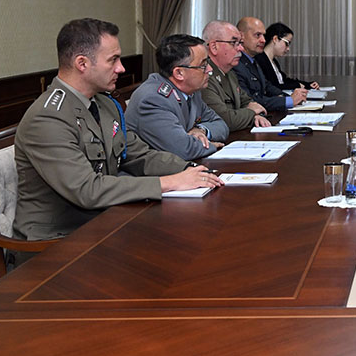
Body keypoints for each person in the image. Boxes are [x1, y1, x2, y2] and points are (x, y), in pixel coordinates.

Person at [13, 19, 222, 243]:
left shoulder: (104, 104)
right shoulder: (48, 118)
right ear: (82, 63)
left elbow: (139, 155)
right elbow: (87, 190)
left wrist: (193, 171)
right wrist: (169, 182)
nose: (121, 68)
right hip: (56, 245)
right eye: (113, 60)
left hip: (107, 224)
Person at [126, 34, 229, 161]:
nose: (210, 69)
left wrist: (201, 130)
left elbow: (221, 125)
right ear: (179, 73)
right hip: (154, 175)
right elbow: (183, 149)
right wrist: (210, 145)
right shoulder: (153, 99)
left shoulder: (192, 91)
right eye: (203, 65)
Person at [201, 20, 272, 131]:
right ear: (214, 47)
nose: (241, 48)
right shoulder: (204, 76)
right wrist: (252, 112)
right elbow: (225, 119)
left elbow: (247, 101)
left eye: (240, 43)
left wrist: (255, 115)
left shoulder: (230, 73)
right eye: (234, 43)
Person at [234, 17, 307, 111]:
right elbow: (250, 102)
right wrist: (288, 101)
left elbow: (267, 86)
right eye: (257, 35)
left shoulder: (252, 60)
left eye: (263, 36)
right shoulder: (236, 63)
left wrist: (290, 98)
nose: (263, 40)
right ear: (241, 36)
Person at [255, 22, 319, 91]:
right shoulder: (260, 60)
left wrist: (308, 85)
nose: (288, 49)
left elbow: (284, 81)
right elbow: (271, 87)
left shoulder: (273, 61)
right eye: (287, 43)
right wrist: (297, 85)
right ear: (275, 39)